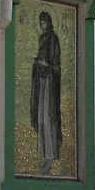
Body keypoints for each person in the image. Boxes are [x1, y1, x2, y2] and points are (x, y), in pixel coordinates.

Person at [30, 10, 64, 174]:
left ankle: (51, 157)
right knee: (41, 117)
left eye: (44, 22)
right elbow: (42, 61)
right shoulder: (42, 39)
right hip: (42, 82)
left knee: (48, 118)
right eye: (40, 22)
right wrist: (37, 63)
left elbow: (55, 64)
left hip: (50, 84)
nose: (42, 25)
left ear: (49, 22)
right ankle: (45, 157)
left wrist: (44, 65)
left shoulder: (53, 39)